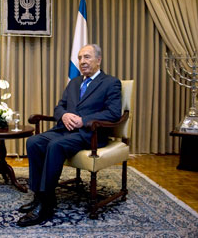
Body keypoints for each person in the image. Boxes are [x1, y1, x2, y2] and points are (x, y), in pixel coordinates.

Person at [17, 44, 122, 227]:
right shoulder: (74, 82)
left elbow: (113, 114)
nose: (82, 62)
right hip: (65, 130)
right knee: (34, 142)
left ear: (99, 60)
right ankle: (38, 196)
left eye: (87, 57)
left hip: (91, 133)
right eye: (80, 58)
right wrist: (63, 115)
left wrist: (85, 120)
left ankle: (46, 204)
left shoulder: (110, 83)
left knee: (55, 146)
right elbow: (60, 107)